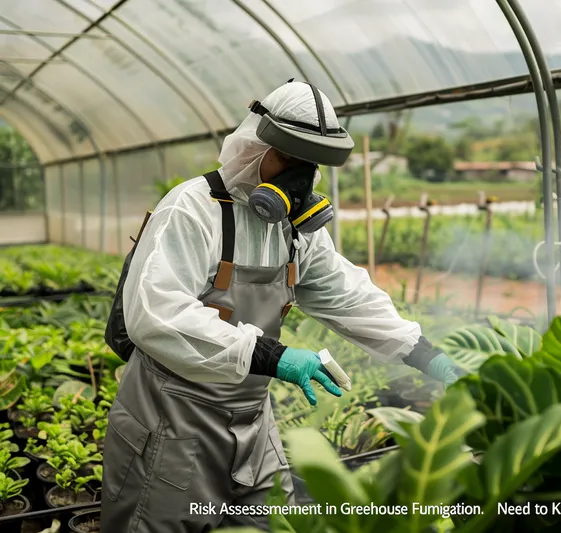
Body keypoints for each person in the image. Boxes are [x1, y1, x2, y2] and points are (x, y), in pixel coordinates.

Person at [99, 80, 465, 533]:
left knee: (276, 522)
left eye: (309, 166)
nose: (300, 178)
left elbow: (348, 295)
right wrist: (273, 356)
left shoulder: (295, 229)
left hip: (252, 417)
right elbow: (156, 314)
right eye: (289, 160)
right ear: (254, 148)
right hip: (172, 421)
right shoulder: (193, 209)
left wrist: (428, 355)